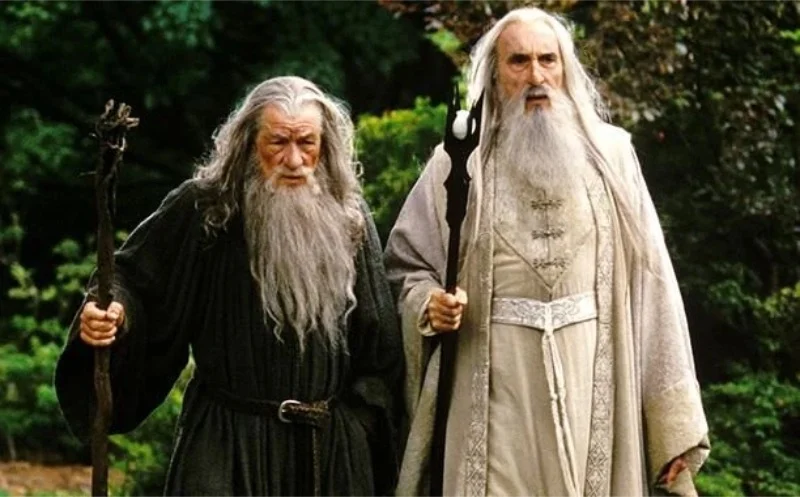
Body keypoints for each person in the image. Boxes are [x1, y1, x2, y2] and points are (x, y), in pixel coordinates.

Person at [385, 7, 710, 497]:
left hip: (593, 385)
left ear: (565, 69)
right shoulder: (458, 163)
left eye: (547, 60)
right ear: (494, 76)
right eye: (518, 61)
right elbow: (404, 265)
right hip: (494, 390)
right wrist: (429, 304)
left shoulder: (612, 155)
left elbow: (653, 283)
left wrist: (670, 426)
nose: (536, 76)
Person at [55, 76, 403, 496]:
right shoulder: (205, 207)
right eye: (278, 142)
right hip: (225, 448)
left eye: (306, 143)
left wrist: (359, 431)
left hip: (326, 458)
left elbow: (380, 346)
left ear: (324, 147)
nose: (294, 159)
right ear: (248, 144)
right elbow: (129, 277)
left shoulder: (348, 218)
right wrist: (114, 313)